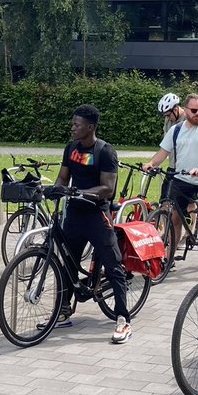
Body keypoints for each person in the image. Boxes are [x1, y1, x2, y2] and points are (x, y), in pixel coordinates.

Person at [52, 104, 132, 344]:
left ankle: (123, 319)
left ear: (91, 127)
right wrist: (56, 190)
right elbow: (63, 176)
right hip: (75, 215)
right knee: (67, 263)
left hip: (97, 216)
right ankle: (63, 310)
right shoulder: (71, 149)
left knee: (113, 265)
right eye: (73, 123)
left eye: (77, 124)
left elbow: (107, 188)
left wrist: (80, 192)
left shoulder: (105, 151)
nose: (73, 127)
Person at [144, 93, 198, 256]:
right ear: (186, 109)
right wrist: (151, 164)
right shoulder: (175, 130)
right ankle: (168, 259)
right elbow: (163, 152)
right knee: (174, 219)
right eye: (194, 110)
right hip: (181, 180)